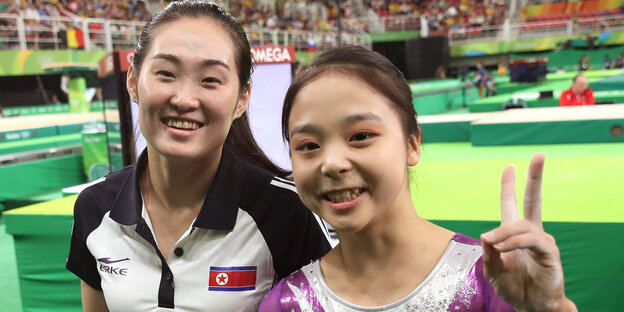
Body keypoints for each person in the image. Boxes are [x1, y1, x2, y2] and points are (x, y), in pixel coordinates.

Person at [259, 46, 577, 311]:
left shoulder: (492, 279)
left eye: (360, 136)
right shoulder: (286, 302)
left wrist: (549, 307)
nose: (332, 163)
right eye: (308, 146)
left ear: (412, 144)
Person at [66, 2, 331, 311]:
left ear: (242, 98)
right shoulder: (95, 207)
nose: (184, 99)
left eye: (210, 80)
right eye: (165, 73)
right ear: (133, 81)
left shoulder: (288, 212)